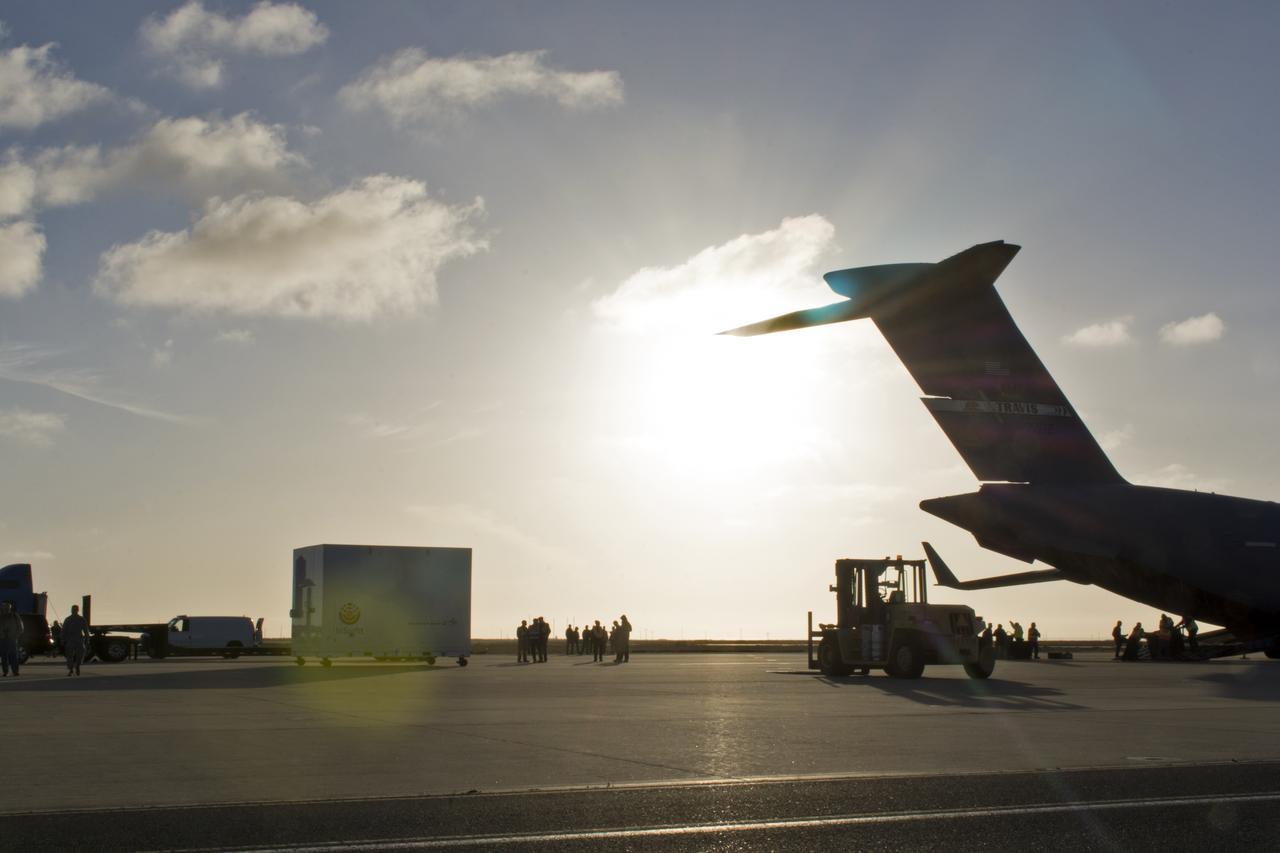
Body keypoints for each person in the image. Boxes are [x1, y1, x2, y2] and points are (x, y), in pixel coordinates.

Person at [62, 604, 90, 676]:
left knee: (80, 655)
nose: (73, 611)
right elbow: (63, 630)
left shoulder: (81, 619)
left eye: (75, 609)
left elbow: (85, 630)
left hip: (79, 639)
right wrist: (63, 639)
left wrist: (87, 639)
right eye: (72, 609)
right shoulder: (68, 619)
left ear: (77, 610)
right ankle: (71, 669)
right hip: (70, 639)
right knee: (69, 656)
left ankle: (77, 666)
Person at [0, 602, 23, 677]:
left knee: (13, 656)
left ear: (10, 608)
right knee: (4, 656)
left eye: (7, 607)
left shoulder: (15, 616)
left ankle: (15, 671)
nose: (5, 609)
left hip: (12, 639)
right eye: (4, 607)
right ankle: (5, 671)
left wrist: (15, 636)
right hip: (2, 639)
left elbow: (20, 627)